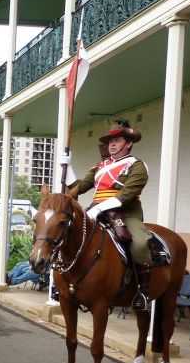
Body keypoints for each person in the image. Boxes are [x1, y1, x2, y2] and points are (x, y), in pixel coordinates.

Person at [62, 119, 160, 311]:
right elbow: (78, 188)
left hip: (125, 213)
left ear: (129, 143)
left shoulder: (137, 166)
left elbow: (126, 195)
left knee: (139, 244)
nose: (112, 144)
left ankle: (142, 292)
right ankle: (63, 284)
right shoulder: (100, 166)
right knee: (64, 234)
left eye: (117, 140)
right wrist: (68, 167)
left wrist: (99, 208)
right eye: (110, 141)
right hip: (95, 210)